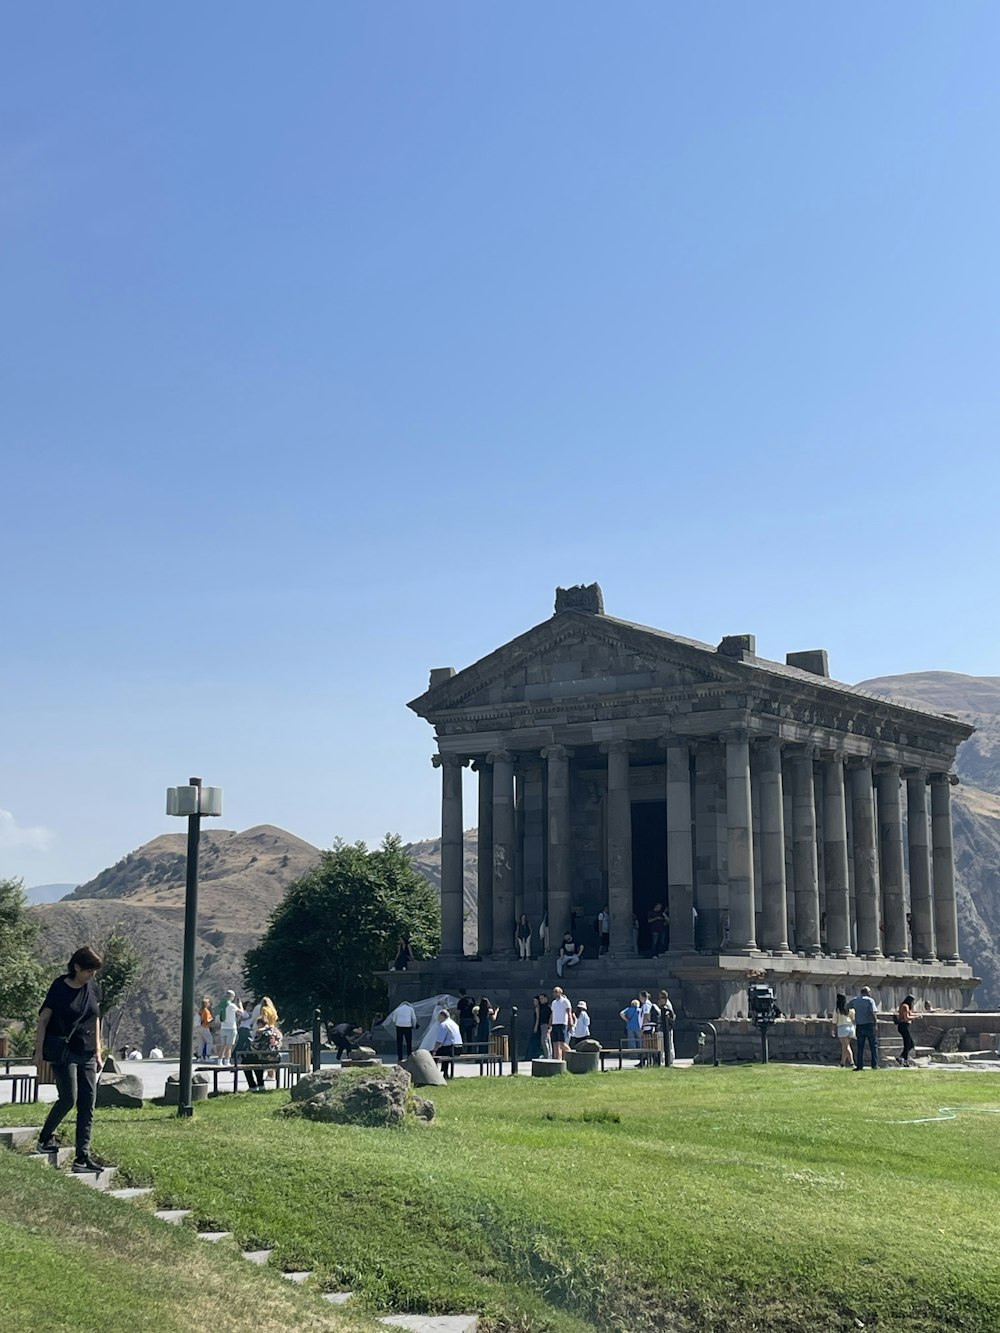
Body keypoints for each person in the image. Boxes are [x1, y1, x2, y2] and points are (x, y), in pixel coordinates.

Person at [34, 946, 106, 1172]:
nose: (91, 976)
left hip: (86, 1053)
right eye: (88, 971)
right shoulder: (59, 987)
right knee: (68, 1099)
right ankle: (44, 1138)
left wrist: (98, 1050)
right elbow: (44, 1020)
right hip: (64, 1050)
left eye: (94, 972)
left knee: (88, 1105)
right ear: (76, 967)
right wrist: (38, 1052)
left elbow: (95, 1017)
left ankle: (82, 1157)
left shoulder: (92, 988)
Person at [244, 1014, 282, 1091]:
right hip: (276, 1058)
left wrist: (251, 1042)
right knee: (255, 1060)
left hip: (265, 1058)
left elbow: (255, 1047)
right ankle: (261, 1085)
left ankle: (253, 1086)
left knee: (246, 1062)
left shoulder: (260, 1032)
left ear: (260, 1024)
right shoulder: (276, 1031)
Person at [848, 986, 879, 1070]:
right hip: (869, 1025)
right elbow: (873, 1012)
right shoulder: (870, 1000)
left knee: (860, 1046)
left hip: (860, 1025)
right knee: (873, 1046)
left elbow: (846, 1007)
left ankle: (859, 1065)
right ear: (867, 992)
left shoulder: (855, 1000)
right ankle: (874, 1064)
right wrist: (875, 1024)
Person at [429, 1007, 462, 1079]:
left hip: (451, 1049)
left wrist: (434, 1051)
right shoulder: (454, 1024)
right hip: (459, 1048)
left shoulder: (443, 1025)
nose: (438, 1019)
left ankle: (432, 1074)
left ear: (442, 1016)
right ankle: (445, 1073)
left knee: (431, 1054)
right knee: (443, 1051)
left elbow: (439, 1041)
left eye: (439, 1017)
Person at [218, 990, 244, 1064]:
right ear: (232, 997)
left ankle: (219, 1061)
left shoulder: (222, 1005)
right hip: (231, 1028)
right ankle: (226, 1061)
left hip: (223, 1027)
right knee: (229, 1046)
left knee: (223, 1045)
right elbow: (241, 1012)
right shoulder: (232, 1005)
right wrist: (240, 1004)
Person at [833, 993, 856, 1068]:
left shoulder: (837, 1010)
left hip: (842, 1028)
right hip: (850, 1027)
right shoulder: (850, 1009)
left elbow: (834, 1021)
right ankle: (842, 1062)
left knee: (846, 1046)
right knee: (844, 1046)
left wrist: (833, 1030)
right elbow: (853, 1018)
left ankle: (852, 1062)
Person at [550, 986, 573, 1060]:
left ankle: (571, 1054)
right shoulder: (554, 1003)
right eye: (554, 991)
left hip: (562, 1023)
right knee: (555, 1043)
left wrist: (571, 1021)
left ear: (560, 992)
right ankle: (557, 1058)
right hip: (555, 1023)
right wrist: (550, 1023)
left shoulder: (565, 1001)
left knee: (562, 1043)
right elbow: (552, 1013)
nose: (554, 993)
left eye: (556, 991)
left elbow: (569, 1012)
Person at [897, 994, 917, 1067]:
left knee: (910, 1044)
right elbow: (906, 1018)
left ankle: (903, 1058)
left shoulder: (905, 1006)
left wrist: (915, 1015)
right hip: (903, 1025)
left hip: (904, 1026)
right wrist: (915, 1017)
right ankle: (903, 1059)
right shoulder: (905, 1006)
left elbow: (910, 1014)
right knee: (908, 1043)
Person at [658, 989, 676, 1064]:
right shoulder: (667, 1003)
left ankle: (669, 1059)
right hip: (667, 1027)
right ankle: (668, 1058)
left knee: (668, 1043)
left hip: (667, 1027)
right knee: (668, 1043)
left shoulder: (667, 1005)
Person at [537, 992, 553, 1058]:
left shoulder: (548, 1007)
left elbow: (551, 1016)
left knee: (544, 1040)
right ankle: (549, 1055)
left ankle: (548, 1056)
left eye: (542, 998)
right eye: (540, 999)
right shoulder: (541, 1007)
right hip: (542, 1024)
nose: (540, 1000)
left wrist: (549, 1025)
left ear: (546, 998)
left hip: (546, 1024)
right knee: (547, 1040)